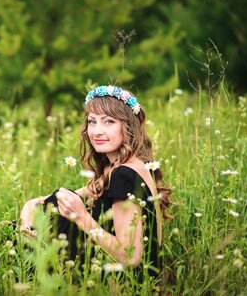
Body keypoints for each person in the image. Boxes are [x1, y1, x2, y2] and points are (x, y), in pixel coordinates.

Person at [19, 85, 172, 279]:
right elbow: (54, 199)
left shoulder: (123, 175)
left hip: (125, 285)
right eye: (92, 122)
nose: (97, 131)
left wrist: (81, 216)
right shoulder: (124, 167)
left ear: (128, 126)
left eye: (109, 122)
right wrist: (29, 210)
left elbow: (131, 257)